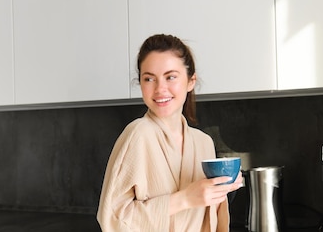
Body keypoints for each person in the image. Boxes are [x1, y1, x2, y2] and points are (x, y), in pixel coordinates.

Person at [97, 34, 243, 231]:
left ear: (191, 81)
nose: (160, 89)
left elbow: (210, 219)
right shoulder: (137, 135)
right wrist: (184, 199)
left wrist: (222, 188)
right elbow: (111, 218)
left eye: (171, 77)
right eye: (149, 79)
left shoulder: (203, 142)